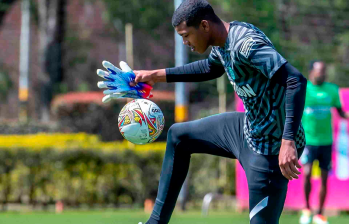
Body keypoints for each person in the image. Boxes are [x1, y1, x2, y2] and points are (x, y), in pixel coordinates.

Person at [97, 0, 307, 223]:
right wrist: (153, 75)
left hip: (271, 149)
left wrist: (288, 141)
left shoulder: (246, 44)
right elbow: (209, 68)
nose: (185, 42)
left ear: (205, 26)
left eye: (186, 35)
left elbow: (295, 80)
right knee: (179, 136)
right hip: (247, 129)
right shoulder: (221, 43)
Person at [299, 61, 349, 224]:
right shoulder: (303, 88)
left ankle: (319, 214)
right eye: (319, 71)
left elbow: (340, 112)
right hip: (307, 141)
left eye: (324, 71)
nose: (322, 74)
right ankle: (307, 210)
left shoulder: (332, 90)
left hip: (326, 141)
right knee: (306, 173)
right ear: (311, 72)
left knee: (324, 177)